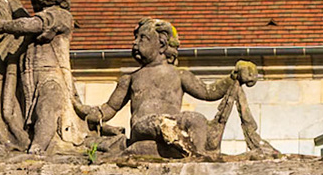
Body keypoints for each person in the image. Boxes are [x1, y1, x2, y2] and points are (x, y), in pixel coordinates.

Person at [81, 17, 236, 157]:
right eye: (136, 38)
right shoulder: (130, 78)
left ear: (161, 44)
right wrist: (94, 114)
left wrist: (233, 78)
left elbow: (208, 93)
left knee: (196, 118)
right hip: (144, 127)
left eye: (142, 38)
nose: (135, 42)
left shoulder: (180, 75)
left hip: (171, 127)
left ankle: (199, 156)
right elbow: (110, 108)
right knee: (157, 122)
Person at [0, 0, 80, 154]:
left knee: (46, 109)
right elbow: (20, 13)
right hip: (31, 80)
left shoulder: (61, 16)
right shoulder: (37, 15)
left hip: (52, 78)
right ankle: (32, 144)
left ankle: (38, 150)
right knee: (30, 115)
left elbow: (31, 25)